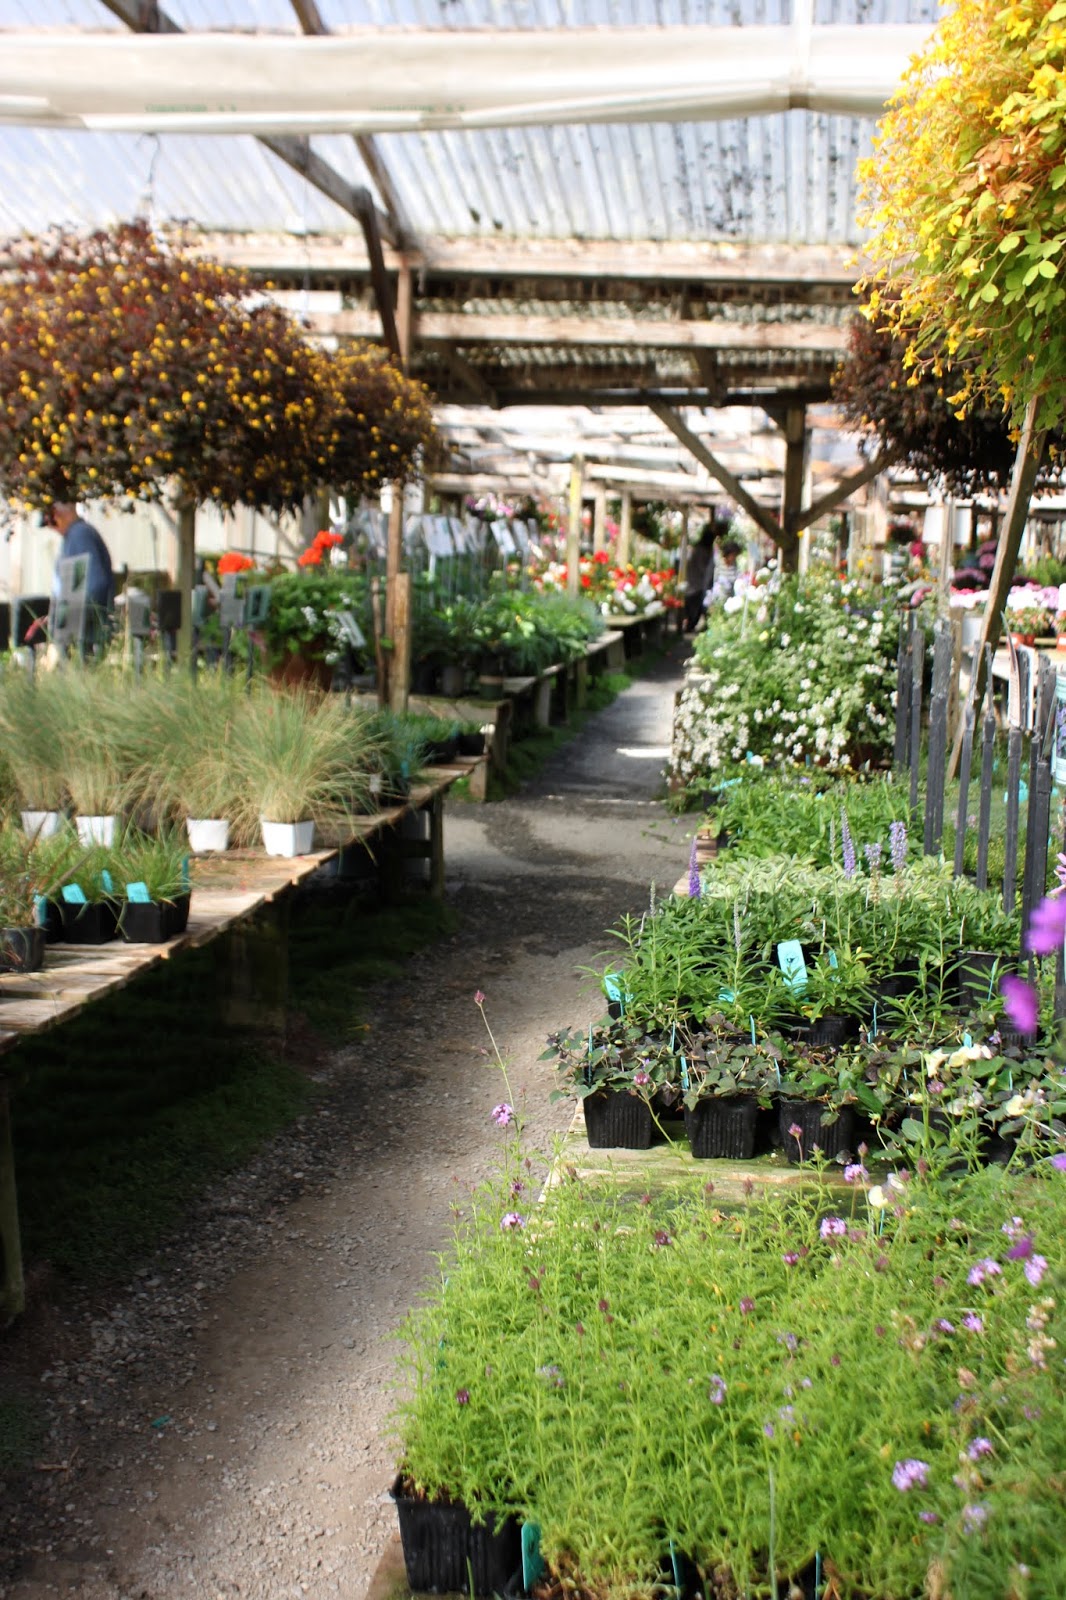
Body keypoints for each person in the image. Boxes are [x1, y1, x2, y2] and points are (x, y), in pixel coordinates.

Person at [45, 502, 114, 612]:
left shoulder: (80, 534)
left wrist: (70, 615)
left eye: (50, 521)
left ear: (58, 514)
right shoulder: (74, 535)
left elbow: (95, 584)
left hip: (83, 621)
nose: (50, 527)